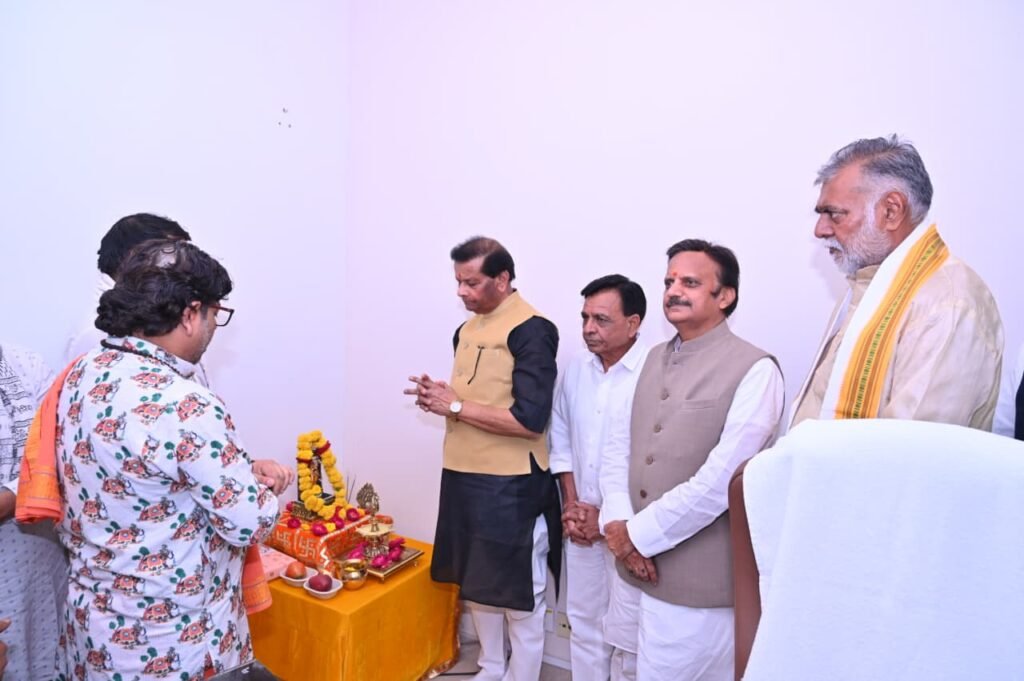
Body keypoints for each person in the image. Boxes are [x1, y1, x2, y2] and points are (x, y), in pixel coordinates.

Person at [49, 239, 290, 679]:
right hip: (173, 641)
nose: (215, 327)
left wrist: (236, 472)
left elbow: (143, 480)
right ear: (190, 313)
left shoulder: (82, 373)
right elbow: (248, 522)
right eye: (216, 314)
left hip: (96, 630)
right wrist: (263, 489)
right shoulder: (185, 402)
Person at [601, 239, 784, 681]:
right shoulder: (650, 358)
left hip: (695, 591)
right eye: (669, 282)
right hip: (630, 571)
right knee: (625, 668)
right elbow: (617, 449)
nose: (674, 291)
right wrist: (619, 528)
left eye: (690, 283)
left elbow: (722, 481)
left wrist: (637, 536)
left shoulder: (756, 369)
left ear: (725, 296)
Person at [405, 236, 561, 681]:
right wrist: (442, 398)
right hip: (462, 475)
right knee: (477, 581)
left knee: (519, 592)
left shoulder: (533, 329)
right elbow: (474, 401)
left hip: (510, 484)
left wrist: (455, 406)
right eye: (458, 282)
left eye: (471, 282)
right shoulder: (466, 330)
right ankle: (491, 667)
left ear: (503, 279)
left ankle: (522, 675)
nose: (461, 292)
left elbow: (530, 420)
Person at [791, 135, 1003, 429]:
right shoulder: (867, 288)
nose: (820, 230)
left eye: (834, 214)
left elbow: (912, 444)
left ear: (891, 211)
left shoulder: (948, 302)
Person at [548, 275, 649, 681]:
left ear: (633, 323)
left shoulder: (654, 371)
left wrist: (605, 519)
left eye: (601, 319)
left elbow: (651, 459)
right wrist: (573, 505)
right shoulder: (577, 367)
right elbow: (560, 434)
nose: (589, 328)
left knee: (630, 637)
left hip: (630, 528)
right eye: (585, 318)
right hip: (580, 525)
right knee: (584, 623)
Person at [63, 214, 211, 386]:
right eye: (174, 254)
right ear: (136, 257)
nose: (185, 263)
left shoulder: (163, 306)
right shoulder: (94, 333)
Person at [0, 343, 66, 680]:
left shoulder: (24, 361)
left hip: (39, 553)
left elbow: (56, 443)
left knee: (43, 658)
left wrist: (14, 494)